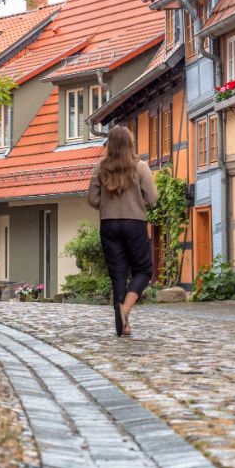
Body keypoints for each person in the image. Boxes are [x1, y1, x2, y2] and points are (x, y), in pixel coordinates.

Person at [87, 125, 158, 336]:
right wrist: (136, 202)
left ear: (110, 144)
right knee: (144, 270)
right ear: (130, 144)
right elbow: (152, 199)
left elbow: (92, 199)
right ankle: (125, 310)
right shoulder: (140, 167)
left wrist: (108, 205)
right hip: (134, 223)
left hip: (108, 224)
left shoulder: (100, 167)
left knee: (118, 275)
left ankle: (122, 327)